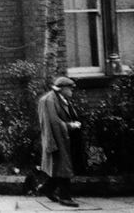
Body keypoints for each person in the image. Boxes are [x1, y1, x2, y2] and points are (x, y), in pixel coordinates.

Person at [37, 76, 83, 208]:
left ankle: (47, 188)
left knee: (60, 166)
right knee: (63, 166)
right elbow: (53, 122)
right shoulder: (49, 101)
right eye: (70, 88)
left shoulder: (61, 99)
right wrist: (71, 125)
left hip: (62, 138)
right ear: (61, 89)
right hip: (56, 138)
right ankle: (65, 197)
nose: (72, 91)